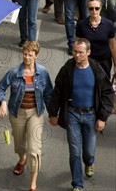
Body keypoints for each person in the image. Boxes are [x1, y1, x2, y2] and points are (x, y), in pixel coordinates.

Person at [49, 38, 114, 191]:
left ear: (88, 52)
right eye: (75, 52)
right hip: (72, 114)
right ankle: (77, 184)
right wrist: (53, 113)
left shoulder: (96, 69)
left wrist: (102, 117)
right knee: (74, 151)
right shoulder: (67, 69)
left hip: (91, 115)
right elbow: (57, 91)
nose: (77, 55)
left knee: (88, 151)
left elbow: (107, 93)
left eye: (80, 52)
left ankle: (89, 162)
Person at [0, 41, 53, 191]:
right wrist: (3, 102)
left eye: (30, 55)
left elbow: (48, 94)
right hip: (17, 112)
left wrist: (53, 113)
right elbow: (0, 87)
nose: (27, 57)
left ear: (36, 56)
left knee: (34, 149)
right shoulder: (14, 72)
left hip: (36, 112)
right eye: (25, 54)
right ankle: (22, 159)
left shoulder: (43, 72)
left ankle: (33, 183)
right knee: (20, 145)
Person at [76, 0, 116, 77]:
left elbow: (112, 46)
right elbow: (77, 46)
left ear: (101, 8)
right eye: (91, 8)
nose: (94, 11)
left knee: (104, 87)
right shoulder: (81, 25)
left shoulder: (109, 25)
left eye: (97, 8)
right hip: (87, 62)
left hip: (105, 62)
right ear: (88, 9)